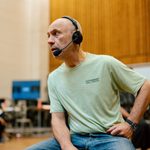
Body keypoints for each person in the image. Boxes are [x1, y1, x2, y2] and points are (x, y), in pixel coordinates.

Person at [26, 16, 150, 150]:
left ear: (76, 37)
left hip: (109, 137)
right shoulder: (53, 77)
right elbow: (58, 119)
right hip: (74, 138)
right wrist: (66, 145)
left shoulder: (105, 63)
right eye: (48, 36)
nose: (50, 41)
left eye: (56, 34)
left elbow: (145, 86)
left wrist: (130, 124)